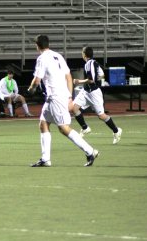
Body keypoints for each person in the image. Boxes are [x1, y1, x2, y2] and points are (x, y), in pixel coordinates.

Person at [27, 35, 99, 167]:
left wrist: (31, 89)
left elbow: (37, 80)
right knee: (43, 123)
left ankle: (90, 151)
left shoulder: (42, 58)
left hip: (55, 97)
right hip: (55, 97)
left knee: (64, 128)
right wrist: (69, 96)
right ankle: (45, 159)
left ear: (37, 45)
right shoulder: (58, 56)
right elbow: (69, 76)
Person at [71, 46, 122, 145]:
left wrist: (78, 81)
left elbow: (91, 80)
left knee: (101, 116)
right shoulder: (95, 63)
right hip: (86, 91)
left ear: (84, 54)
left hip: (94, 93)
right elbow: (102, 75)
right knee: (74, 108)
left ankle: (116, 131)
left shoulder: (88, 64)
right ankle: (85, 128)